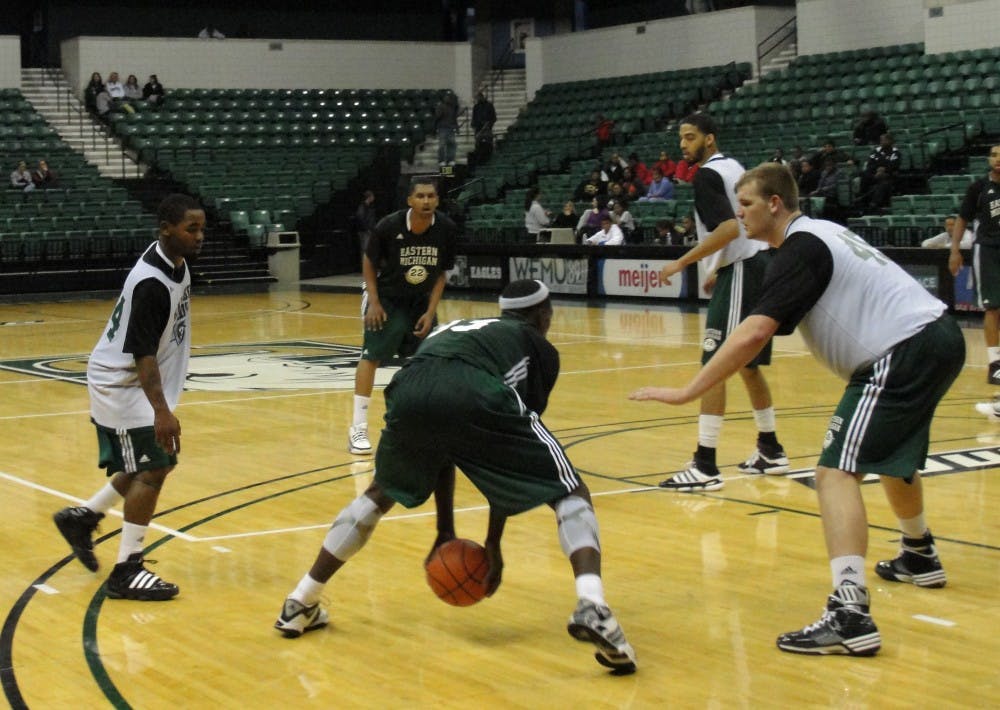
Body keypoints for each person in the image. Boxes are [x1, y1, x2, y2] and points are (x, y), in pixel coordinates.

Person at [631, 162, 963, 656]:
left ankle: (850, 613)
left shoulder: (801, 248)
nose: (738, 214)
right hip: (936, 337)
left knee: (835, 471)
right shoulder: (819, 235)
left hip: (903, 349)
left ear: (774, 204)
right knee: (887, 452)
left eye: (745, 204)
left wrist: (687, 390)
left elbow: (754, 332)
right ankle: (918, 553)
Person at [275, 279, 637, 674]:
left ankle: (301, 600)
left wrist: (445, 530)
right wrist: (492, 542)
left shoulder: (464, 329)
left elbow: (446, 452)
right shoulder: (538, 349)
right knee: (569, 489)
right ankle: (592, 605)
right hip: (471, 386)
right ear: (543, 314)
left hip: (409, 387)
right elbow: (504, 466)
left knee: (381, 492)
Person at [52, 194, 205, 601]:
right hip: (120, 383)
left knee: (150, 464)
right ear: (166, 229)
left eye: (201, 228)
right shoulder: (151, 283)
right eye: (191, 229)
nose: (199, 236)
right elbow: (143, 355)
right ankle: (127, 570)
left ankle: (83, 517)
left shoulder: (175, 263)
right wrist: (162, 412)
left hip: (136, 381)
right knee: (155, 465)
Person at [655, 113, 788, 491]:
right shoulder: (734, 167)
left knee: (714, 363)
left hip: (745, 267)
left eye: (691, 137)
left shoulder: (707, 175)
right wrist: (718, 265)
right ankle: (770, 449)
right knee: (747, 366)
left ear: (709, 140)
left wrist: (683, 261)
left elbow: (729, 227)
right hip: (758, 262)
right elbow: (744, 222)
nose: (684, 145)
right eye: (681, 138)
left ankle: (705, 465)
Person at [347, 177, 457, 455]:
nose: (426, 201)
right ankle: (358, 427)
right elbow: (369, 262)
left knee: (426, 361)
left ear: (437, 200)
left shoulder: (446, 228)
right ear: (410, 200)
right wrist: (373, 302)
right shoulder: (389, 225)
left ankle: (420, 423)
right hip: (386, 297)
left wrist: (431, 312)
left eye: (431, 196)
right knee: (372, 355)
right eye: (420, 196)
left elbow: (441, 274)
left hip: (420, 300)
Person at [950, 145, 1000, 409]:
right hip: (988, 250)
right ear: (989, 160)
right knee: (992, 307)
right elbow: (961, 219)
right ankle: (995, 364)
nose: (998, 159)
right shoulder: (978, 188)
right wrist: (955, 250)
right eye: (994, 155)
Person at [859, 133, 901, 213]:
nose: (881, 142)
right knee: (864, 175)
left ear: (890, 141)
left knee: (884, 183)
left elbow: (894, 165)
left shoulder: (895, 152)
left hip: (888, 176)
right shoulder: (876, 151)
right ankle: (862, 201)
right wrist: (877, 170)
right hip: (874, 175)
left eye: (884, 140)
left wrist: (883, 169)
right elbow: (870, 163)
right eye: (881, 140)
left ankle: (873, 204)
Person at [434, 92, 459, 168]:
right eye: (446, 97)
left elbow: (454, 118)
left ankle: (451, 160)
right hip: (442, 128)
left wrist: (457, 127)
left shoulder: (452, 107)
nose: (447, 99)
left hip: (451, 128)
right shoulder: (440, 106)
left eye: (448, 97)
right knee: (442, 145)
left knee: (452, 144)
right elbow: (437, 117)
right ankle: (441, 160)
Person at [471, 92, 496, 163]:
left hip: (487, 127)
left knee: (488, 144)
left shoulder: (489, 105)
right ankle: (479, 160)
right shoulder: (476, 107)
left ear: (482, 97)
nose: (478, 99)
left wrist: (488, 125)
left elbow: (493, 118)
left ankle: (489, 158)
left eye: (479, 97)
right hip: (478, 128)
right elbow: (474, 118)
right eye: (477, 98)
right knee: (478, 145)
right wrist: (474, 126)